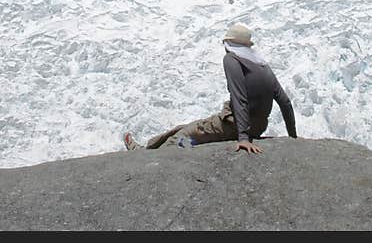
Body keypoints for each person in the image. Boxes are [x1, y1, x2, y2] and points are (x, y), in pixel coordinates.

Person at [123, 23, 297, 154]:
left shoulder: (232, 60)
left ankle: (151, 157)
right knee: (184, 128)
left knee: (184, 136)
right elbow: (285, 102)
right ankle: (148, 147)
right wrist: (293, 138)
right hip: (257, 127)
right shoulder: (262, 66)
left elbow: (239, 98)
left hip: (232, 125)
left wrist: (243, 138)